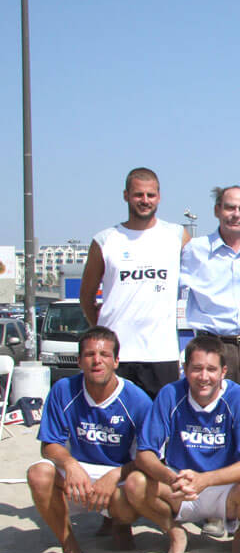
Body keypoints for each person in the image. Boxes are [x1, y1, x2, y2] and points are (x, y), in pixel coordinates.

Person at [125, 336, 240, 553]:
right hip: (179, 486)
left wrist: (206, 480)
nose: (204, 377)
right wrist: (169, 476)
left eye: (211, 369)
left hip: (225, 488)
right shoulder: (170, 394)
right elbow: (145, 453)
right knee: (135, 483)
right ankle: (174, 531)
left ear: (223, 372)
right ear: (185, 369)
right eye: (196, 369)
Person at [26, 326, 152, 553]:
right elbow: (49, 445)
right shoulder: (63, 390)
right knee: (38, 474)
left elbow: (150, 458)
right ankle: (68, 544)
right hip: (78, 474)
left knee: (138, 487)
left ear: (116, 361)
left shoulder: (137, 400)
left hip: (118, 474)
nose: (97, 361)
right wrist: (70, 464)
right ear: (79, 361)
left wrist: (116, 474)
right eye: (89, 355)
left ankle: (119, 524)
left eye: (104, 355)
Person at [79, 167, 190, 399]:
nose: (145, 200)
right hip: (117, 355)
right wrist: (104, 334)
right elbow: (86, 298)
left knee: (161, 430)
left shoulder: (177, 236)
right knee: (116, 428)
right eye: (138, 194)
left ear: (159, 197)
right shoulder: (105, 240)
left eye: (150, 195)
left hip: (161, 354)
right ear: (126, 195)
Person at [180, 185, 240, 411]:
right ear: (217, 210)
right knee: (212, 416)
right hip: (212, 347)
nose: (235, 214)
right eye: (229, 207)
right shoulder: (194, 251)